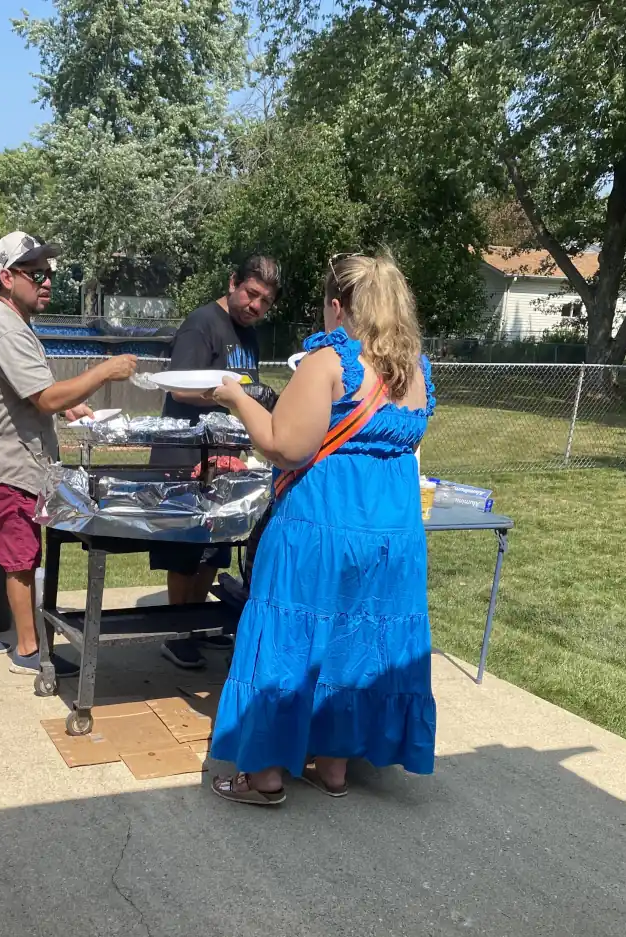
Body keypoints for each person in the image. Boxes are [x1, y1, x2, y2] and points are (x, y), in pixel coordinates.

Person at [208, 252, 437, 806]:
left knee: (290, 637)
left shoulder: (328, 361)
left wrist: (236, 397)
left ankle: (263, 777)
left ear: (337, 305)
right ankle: (333, 769)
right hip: (393, 531)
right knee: (358, 639)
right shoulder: (415, 367)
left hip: (322, 523)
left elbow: (286, 445)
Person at [0, 232, 137, 672]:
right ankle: (30, 651)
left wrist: (70, 405)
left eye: (50, 273)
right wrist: (105, 370)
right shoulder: (5, 328)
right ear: (7, 277)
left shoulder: (9, 322)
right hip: (4, 465)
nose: (47, 281)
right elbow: (44, 398)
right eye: (37, 274)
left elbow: (32, 395)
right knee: (21, 558)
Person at [150, 255, 281, 670]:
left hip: (226, 457)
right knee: (186, 550)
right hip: (185, 452)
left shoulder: (250, 336)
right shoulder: (202, 323)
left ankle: (199, 625)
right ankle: (178, 633)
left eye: (265, 300)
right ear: (233, 283)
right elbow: (179, 386)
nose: (255, 305)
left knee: (215, 549)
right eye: (251, 294)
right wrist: (224, 395)